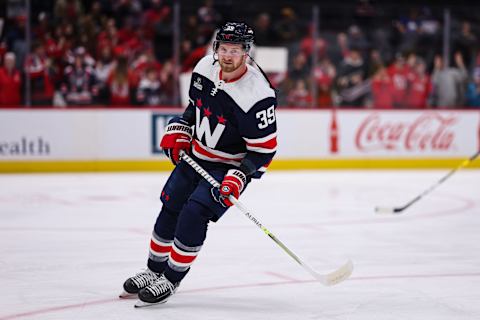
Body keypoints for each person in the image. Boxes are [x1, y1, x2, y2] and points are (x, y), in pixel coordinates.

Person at [120, 22, 278, 306]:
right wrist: (180, 126)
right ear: (216, 48)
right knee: (170, 207)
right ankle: (153, 270)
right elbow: (195, 107)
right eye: (223, 48)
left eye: (235, 50)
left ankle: (170, 278)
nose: (227, 56)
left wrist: (240, 176)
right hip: (195, 158)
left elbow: (264, 151)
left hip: (226, 170)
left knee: (194, 213)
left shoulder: (257, 96)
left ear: (246, 53)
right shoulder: (205, 67)